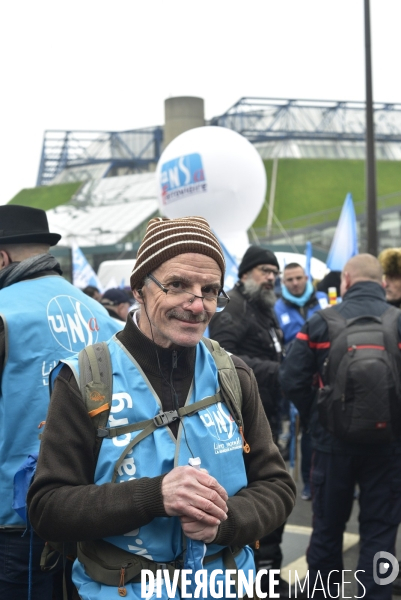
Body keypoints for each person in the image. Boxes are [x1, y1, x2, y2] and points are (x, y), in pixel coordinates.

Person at [28, 216, 296, 600]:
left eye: (210, 290)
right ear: (139, 288)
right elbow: (48, 508)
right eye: (178, 286)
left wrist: (227, 522)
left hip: (226, 585)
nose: (197, 304)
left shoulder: (233, 374)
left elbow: (277, 487)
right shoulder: (88, 378)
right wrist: (155, 496)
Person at [0, 205, 123, 600]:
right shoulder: (102, 315)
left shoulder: (4, 312)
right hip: (89, 512)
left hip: (12, 520)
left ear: (1, 258)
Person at [280, 254, 401, 599]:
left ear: (345, 280)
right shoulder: (398, 320)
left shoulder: (321, 321)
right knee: (380, 533)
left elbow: (291, 377)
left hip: (331, 446)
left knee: (327, 531)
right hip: (388, 447)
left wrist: (319, 418)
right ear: (382, 283)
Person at [209, 245, 289, 598]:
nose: (271, 277)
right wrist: (281, 372)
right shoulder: (235, 310)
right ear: (244, 274)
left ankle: (269, 570)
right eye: (263, 271)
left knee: (271, 489)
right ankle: (259, 574)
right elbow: (227, 362)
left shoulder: (264, 307)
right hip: (244, 416)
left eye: (274, 271)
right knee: (255, 489)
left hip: (269, 409)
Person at [275, 263, 328, 501]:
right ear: (283, 282)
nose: (295, 283)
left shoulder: (326, 300)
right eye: (290, 280)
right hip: (300, 380)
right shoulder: (277, 308)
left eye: (298, 278)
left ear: (307, 277)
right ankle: (309, 482)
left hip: (329, 376)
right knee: (306, 429)